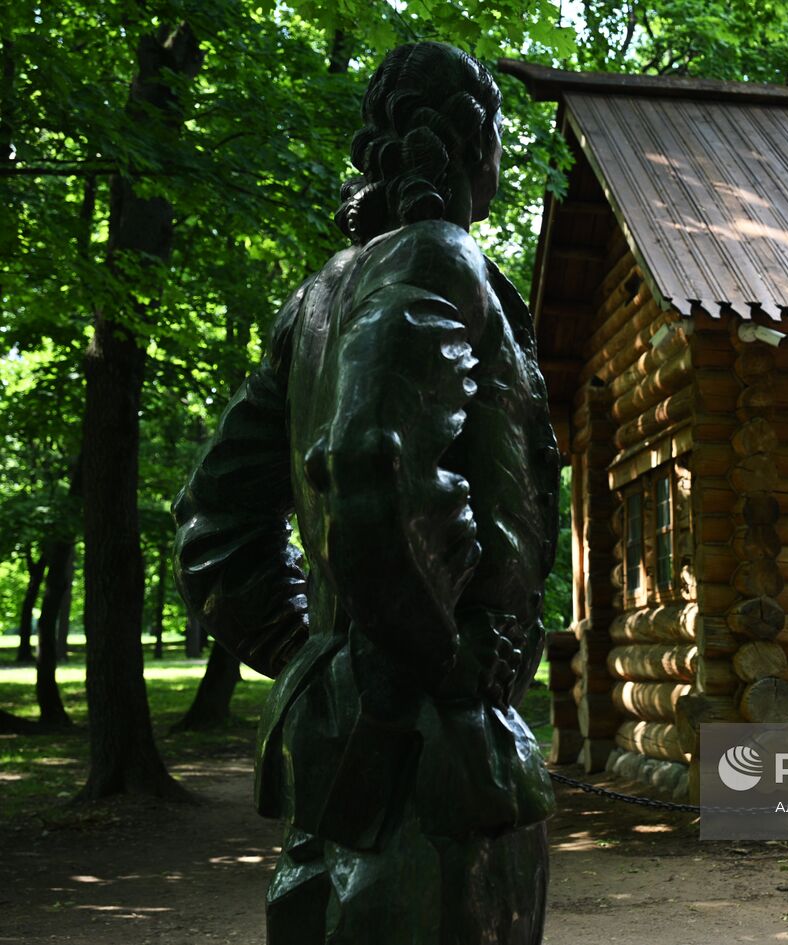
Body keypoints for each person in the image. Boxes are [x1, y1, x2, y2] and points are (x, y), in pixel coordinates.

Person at [173, 43, 558, 945]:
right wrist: (439, 657)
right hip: (437, 760)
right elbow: (371, 457)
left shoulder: (314, 302)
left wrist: (317, 657)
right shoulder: (439, 258)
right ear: (474, 144)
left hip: (341, 743)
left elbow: (212, 520)